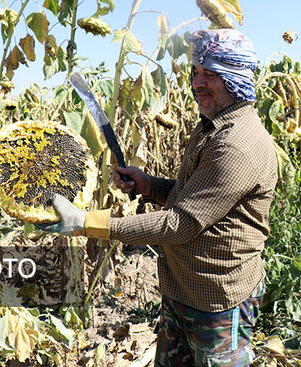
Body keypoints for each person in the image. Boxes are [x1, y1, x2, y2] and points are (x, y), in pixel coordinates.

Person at [40, 29, 278, 366]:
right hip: (184, 289)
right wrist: (149, 186)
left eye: (210, 73)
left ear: (236, 77)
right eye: (196, 71)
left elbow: (180, 224)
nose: (198, 82)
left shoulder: (236, 145)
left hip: (216, 304)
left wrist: (87, 222)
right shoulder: (213, 127)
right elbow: (196, 196)